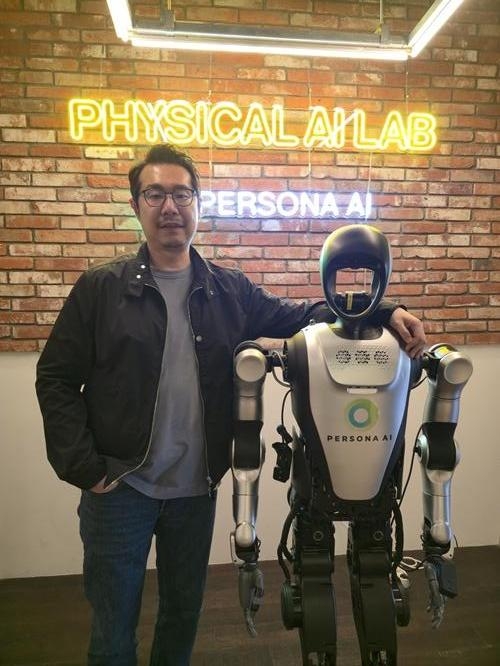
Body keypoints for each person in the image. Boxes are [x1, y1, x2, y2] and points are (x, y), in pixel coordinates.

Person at [35, 143, 426, 666]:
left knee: (182, 616)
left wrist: (385, 308)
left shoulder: (227, 290)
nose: (170, 207)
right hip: (120, 488)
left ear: (198, 204)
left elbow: (302, 315)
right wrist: (84, 467)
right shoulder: (101, 289)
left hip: (195, 489)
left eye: (182, 194)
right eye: (155, 194)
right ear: (136, 205)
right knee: (113, 629)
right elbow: (56, 379)